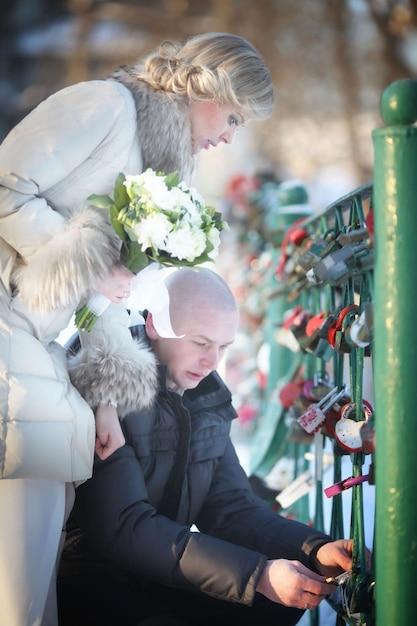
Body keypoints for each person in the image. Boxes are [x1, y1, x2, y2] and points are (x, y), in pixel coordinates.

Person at [0, 32, 274, 626]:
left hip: (49, 365)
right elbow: (4, 187)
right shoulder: (103, 106)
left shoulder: (160, 168)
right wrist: (91, 259)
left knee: (32, 586)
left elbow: (105, 300)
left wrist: (107, 397)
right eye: (232, 116)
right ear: (207, 87)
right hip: (11, 341)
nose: (230, 135)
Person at [58, 268, 353, 626]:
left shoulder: (206, 396)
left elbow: (230, 507)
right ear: (155, 326)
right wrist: (257, 575)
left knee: (274, 605)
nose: (212, 361)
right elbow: (123, 527)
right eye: (200, 343)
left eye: (222, 347)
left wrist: (313, 548)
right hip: (93, 579)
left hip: (158, 572)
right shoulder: (105, 384)